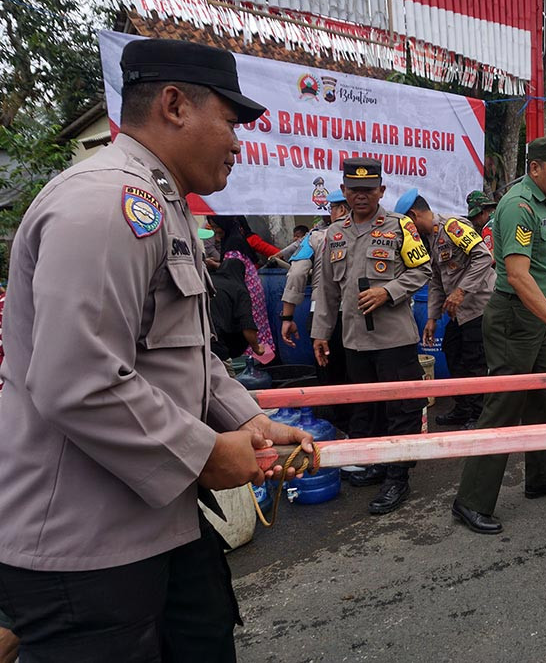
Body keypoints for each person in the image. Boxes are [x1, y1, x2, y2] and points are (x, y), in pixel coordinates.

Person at [0, 37, 313, 661]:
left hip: (158, 517)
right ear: (174, 105)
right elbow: (77, 378)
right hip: (87, 542)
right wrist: (204, 455)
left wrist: (248, 420)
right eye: (229, 120)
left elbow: (186, 352)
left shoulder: (161, 205)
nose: (237, 142)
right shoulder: (106, 204)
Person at [452, 135, 546, 535]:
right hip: (516, 316)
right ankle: (470, 501)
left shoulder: (540, 202)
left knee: (544, 396)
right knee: (503, 405)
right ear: (535, 168)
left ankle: (544, 478)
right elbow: (517, 275)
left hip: (533, 315)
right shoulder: (518, 206)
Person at [311, 158, 431, 515]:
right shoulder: (334, 234)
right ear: (344, 191)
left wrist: (389, 291)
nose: (360, 195)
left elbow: (422, 268)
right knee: (368, 408)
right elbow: (328, 290)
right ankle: (379, 462)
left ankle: (398, 476)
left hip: (394, 340)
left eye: (368, 189)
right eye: (354, 189)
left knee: (401, 408)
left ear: (381, 190)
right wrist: (320, 333)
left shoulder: (399, 227)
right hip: (354, 341)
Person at [397, 189, 495, 428]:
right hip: (457, 313)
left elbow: (484, 257)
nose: (408, 232)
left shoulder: (453, 227)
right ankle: (462, 408)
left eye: (408, 224)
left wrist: (461, 291)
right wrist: (432, 318)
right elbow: (436, 280)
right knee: (454, 356)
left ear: (413, 215)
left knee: (475, 362)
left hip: (478, 307)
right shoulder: (429, 240)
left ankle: (479, 415)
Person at [281, 191, 352, 434]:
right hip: (360, 318)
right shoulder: (369, 234)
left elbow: (298, 274)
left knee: (329, 377)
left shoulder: (315, 237)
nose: (329, 213)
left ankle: (335, 431)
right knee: (360, 376)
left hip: (322, 317)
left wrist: (287, 317)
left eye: (331, 208)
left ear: (341, 210)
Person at [210, 214, 276, 362]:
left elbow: (233, 267)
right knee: (256, 325)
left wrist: (215, 265)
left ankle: (251, 361)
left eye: (216, 226)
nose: (215, 230)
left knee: (247, 324)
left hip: (245, 289)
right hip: (248, 286)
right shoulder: (236, 239)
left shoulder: (233, 243)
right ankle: (262, 359)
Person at [210, 258, 264, 369]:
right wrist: (256, 348)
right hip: (216, 344)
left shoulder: (208, 281)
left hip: (193, 343)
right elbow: (247, 325)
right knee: (225, 383)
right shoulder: (239, 289)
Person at [466, 189, 497, 255]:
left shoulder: (488, 228)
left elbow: (491, 258)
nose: (474, 221)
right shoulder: (502, 215)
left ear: (482, 212)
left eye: (475, 217)